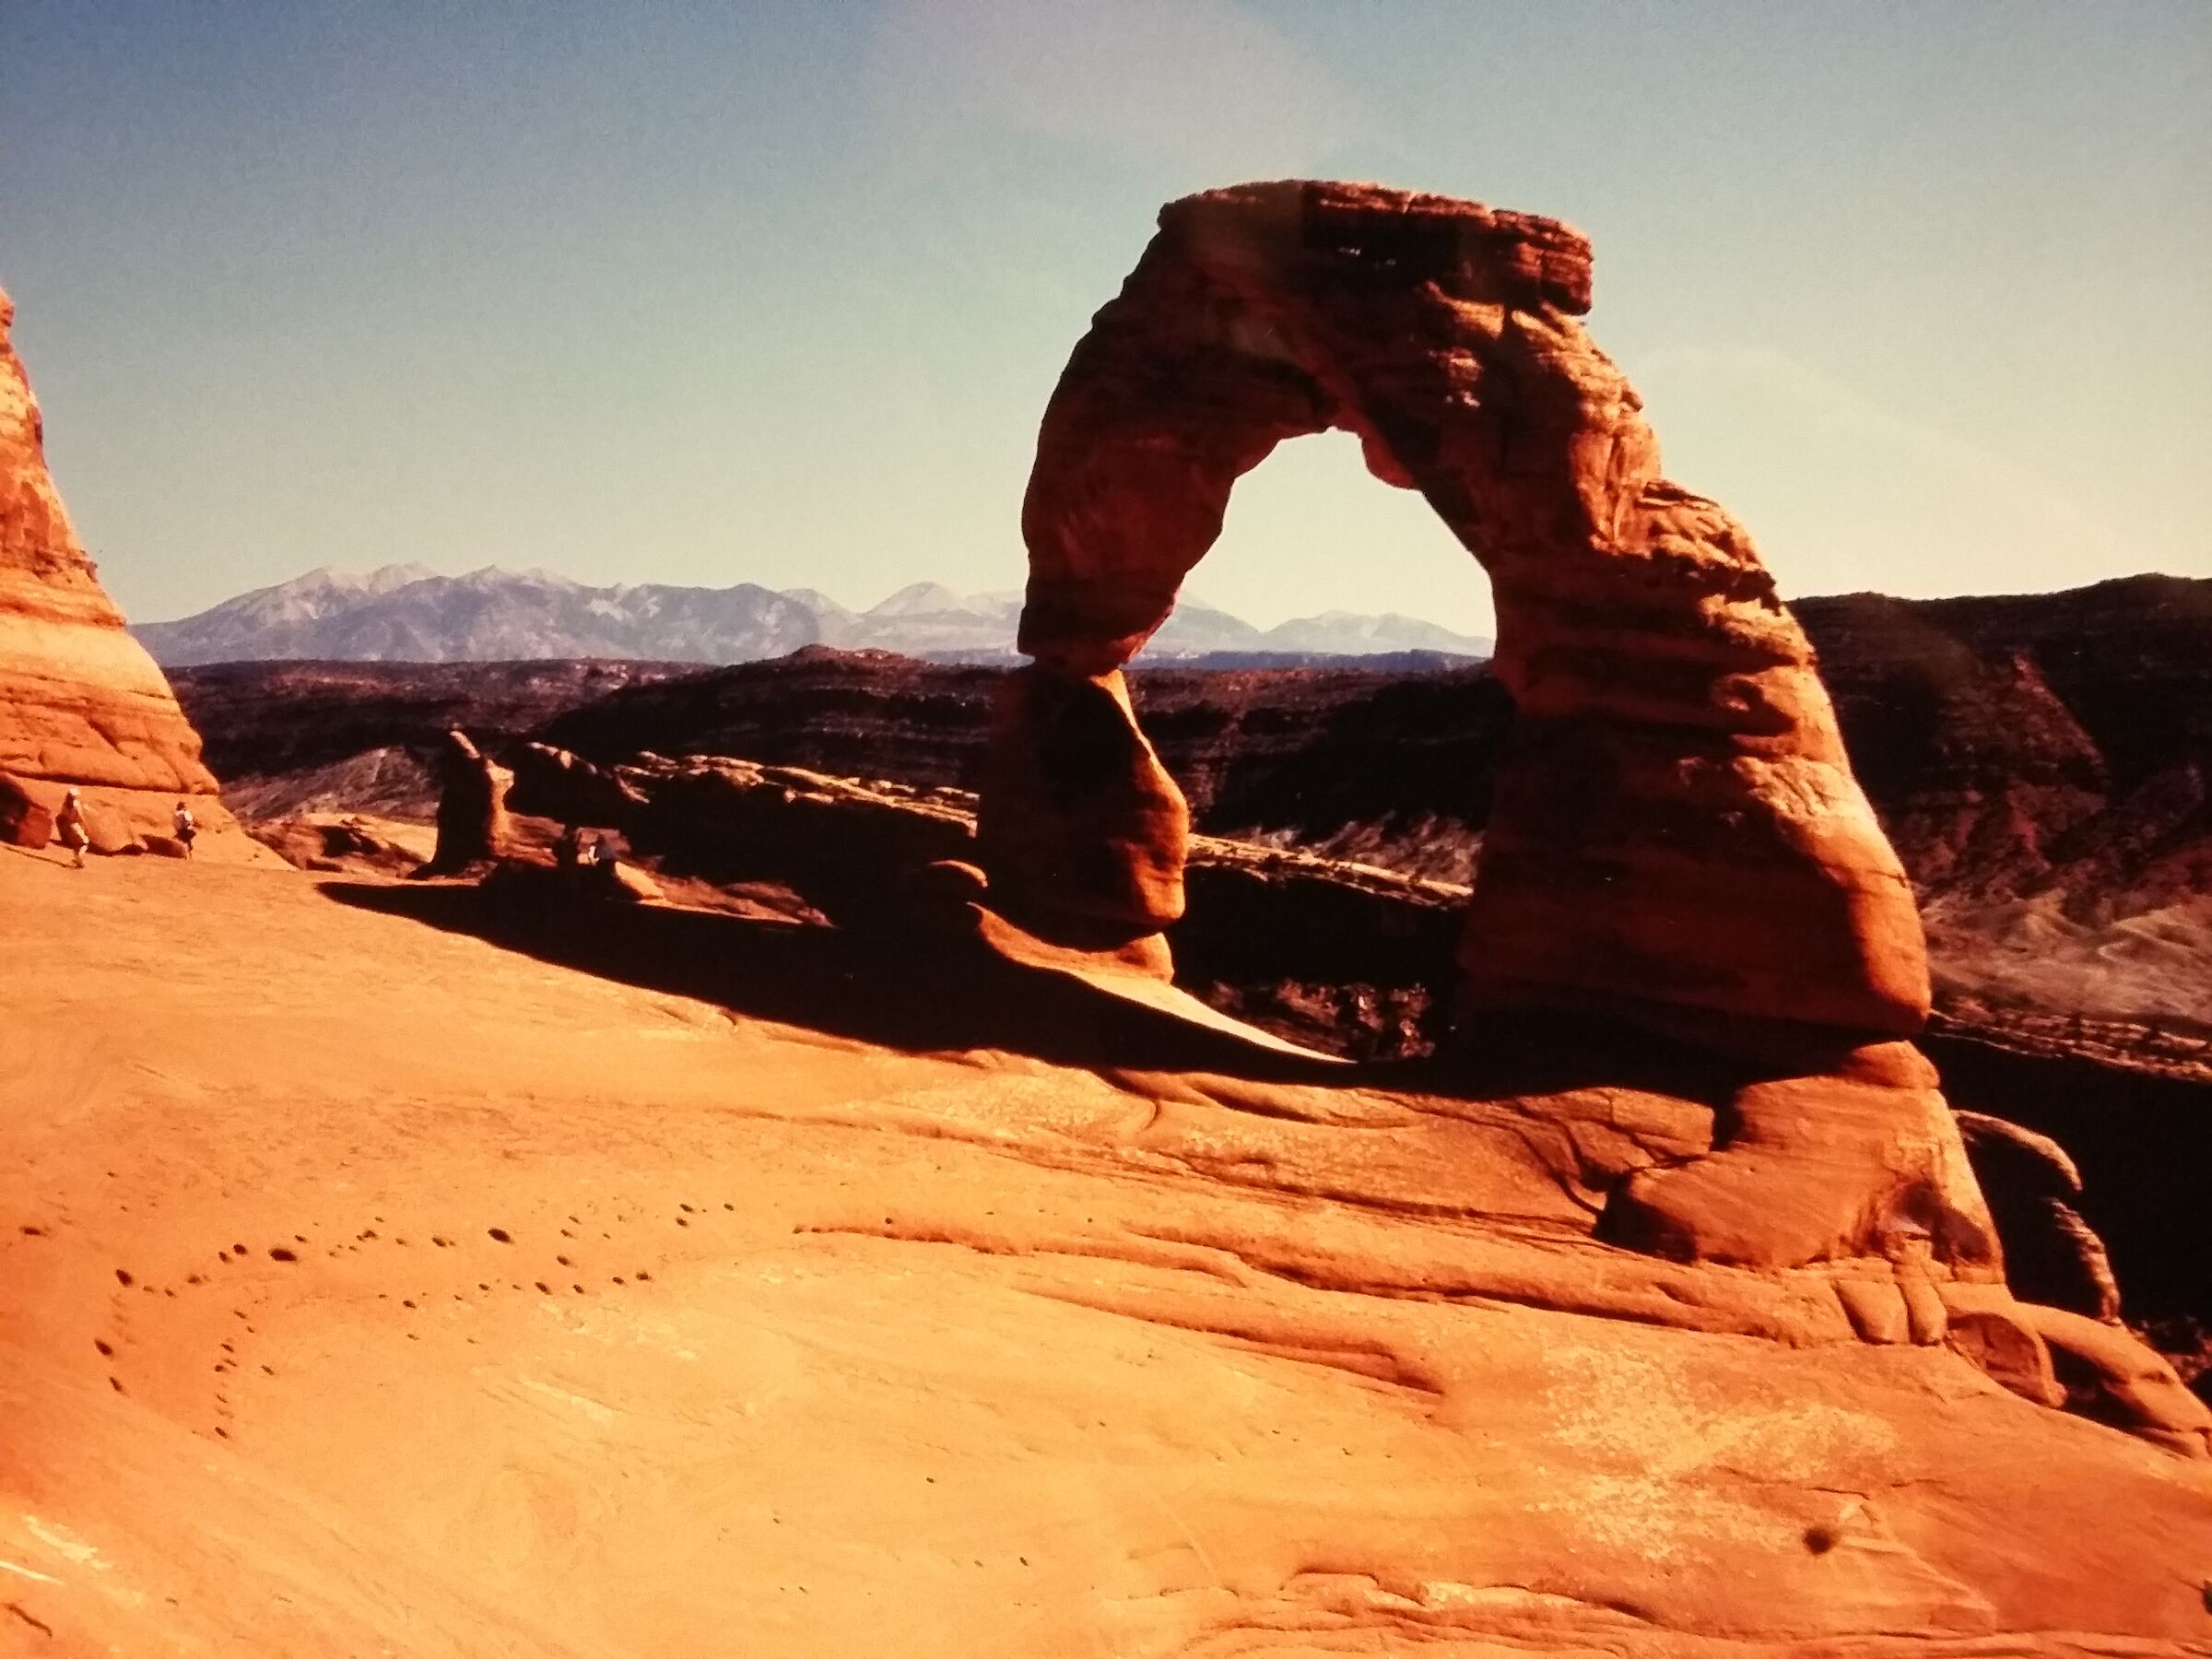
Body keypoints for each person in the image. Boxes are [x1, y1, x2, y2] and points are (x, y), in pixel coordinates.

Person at [55, 788, 89, 869]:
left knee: (76, 844)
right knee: (85, 843)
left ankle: (78, 861)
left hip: (69, 826)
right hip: (75, 825)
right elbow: (80, 816)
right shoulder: (76, 804)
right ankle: (79, 859)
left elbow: (63, 816)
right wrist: (85, 825)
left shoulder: (65, 805)